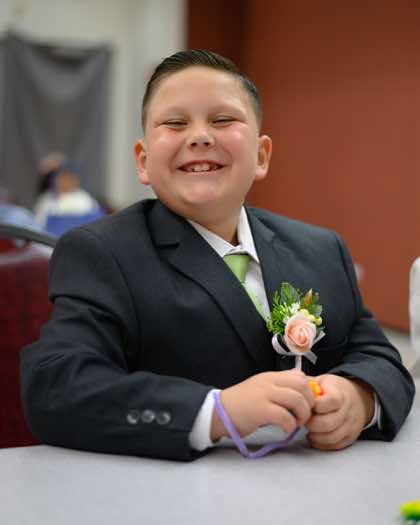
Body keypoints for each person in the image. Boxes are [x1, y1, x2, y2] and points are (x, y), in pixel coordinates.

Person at [21, 50, 415, 461]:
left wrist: (360, 397)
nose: (199, 136)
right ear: (143, 161)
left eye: (223, 120)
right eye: (175, 123)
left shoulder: (321, 249)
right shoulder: (102, 254)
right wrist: (215, 411)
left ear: (261, 156)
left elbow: (379, 357)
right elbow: (56, 388)